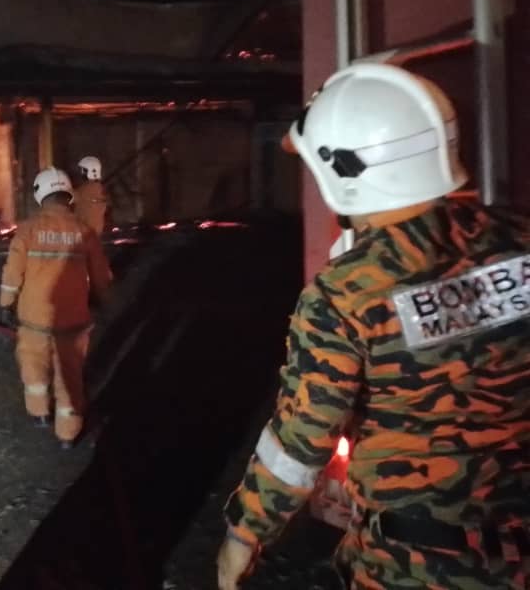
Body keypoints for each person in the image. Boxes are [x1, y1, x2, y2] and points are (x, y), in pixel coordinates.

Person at [217, 63, 530, 589]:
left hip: (417, 566)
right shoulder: (520, 238)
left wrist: (245, 531)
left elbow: (300, 441)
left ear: (342, 173)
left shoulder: (344, 294)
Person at [0, 167, 113, 449]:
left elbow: (12, 272)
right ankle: (68, 434)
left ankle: (38, 412)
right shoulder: (84, 231)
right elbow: (101, 275)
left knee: (33, 363)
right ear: (68, 194)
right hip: (73, 319)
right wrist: (102, 300)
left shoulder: (28, 229)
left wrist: (6, 304)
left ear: (40, 194)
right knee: (70, 374)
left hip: (34, 318)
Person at [74, 155, 108, 235]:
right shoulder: (99, 188)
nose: (81, 173)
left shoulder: (86, 189)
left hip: (85, 234)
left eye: (83, 170)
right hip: (94, 234)